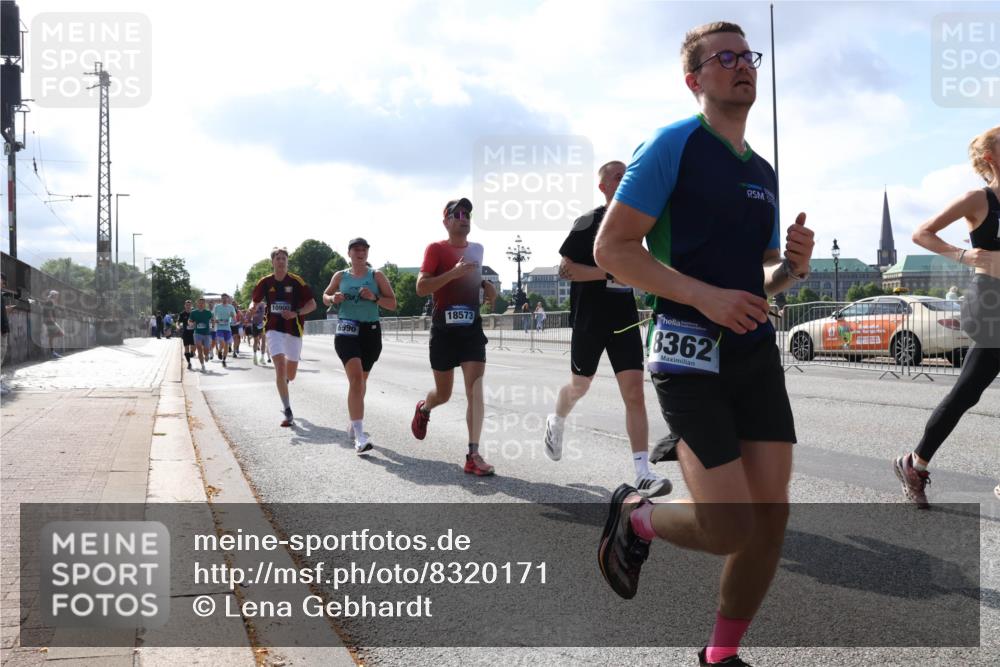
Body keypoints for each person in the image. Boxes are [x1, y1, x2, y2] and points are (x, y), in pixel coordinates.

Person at [592, 22, 814, 667]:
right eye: (726, 57)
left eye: (749, 56)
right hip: (687, 352)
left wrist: (793, 269)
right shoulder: (672, 144)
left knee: (769, 522)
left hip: (752, 353)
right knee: (728, 528)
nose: (743, 65)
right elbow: (612, 250)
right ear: (695, 80)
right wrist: (701, 296)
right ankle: (636, 515)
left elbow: (759, 282)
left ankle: (720, 655)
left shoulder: (764, 172)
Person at [545, 160, 671, 498]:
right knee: (579, 386)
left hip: (623, 318)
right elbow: (565, 270)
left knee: (634, 393)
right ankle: (557, 420)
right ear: (603, 186)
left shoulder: (635, 224)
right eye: (618, 175)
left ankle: (642, 472)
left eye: (628, 174)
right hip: (589, 318)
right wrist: (611, 273)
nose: (625, 178)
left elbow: (643, 268)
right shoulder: (588, 221)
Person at [894, 125, 1000, 508]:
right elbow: (922, 233)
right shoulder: (979, 199)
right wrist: (963, 255)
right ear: (991, 157)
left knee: (969, 390)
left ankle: (915, 462)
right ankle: (914, 464)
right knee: (968, 391)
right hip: (989, 301)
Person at [411, 198, 498, 475]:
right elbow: (421, 288)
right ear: (446, 221)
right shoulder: (436, 249)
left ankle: (473, 454)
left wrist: (486, 286)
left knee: (476, 391)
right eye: (458, 214)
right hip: (444, 331)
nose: (464, 218)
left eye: (468, 214)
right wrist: (453, 273)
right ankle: (425, 408)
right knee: (444, 394)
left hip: (471, 328)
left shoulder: (477, 249)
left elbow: (473, 278)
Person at [323, 237, 397, 454]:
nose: (361, 253)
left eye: (364, 250)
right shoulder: (340, 276)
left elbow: (392, 303)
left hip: (371, 332)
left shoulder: (377, 275)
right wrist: (332, 298)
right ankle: (359, 436)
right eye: (356, 249)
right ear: (349, 253)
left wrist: (374, 297)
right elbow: (325, 296)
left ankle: (353, 420)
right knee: (356, 379)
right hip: (347, 330)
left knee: (361, 382)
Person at [247, 247, 317, 427]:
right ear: (272, 262)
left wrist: (296, 312)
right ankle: (288, 411)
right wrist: (252, 307)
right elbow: (255, 300)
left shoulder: (296, 281)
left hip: (294, 329)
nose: (280, 261)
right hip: (273, 328)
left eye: (283, 258)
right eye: (277, 258)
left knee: (290, 374)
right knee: (279, 364)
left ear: (287, 262)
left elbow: (312, 304)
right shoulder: (265, 282)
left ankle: (285, 380)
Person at [212, 294, 237, 368]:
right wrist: (215, 321)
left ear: (228, 299)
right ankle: (219, 351)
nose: (224, 300)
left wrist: (233, 316)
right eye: (223, 298)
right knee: (222, 343)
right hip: (219, 328)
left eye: (226, 298)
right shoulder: (217, 307)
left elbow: (234, 318)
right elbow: (213, 316)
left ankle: (224, 360)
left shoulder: (231, 307)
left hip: (227, 328)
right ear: (221, 299)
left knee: (226, 344)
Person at [190, 297, 214, 371]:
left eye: (202, 303)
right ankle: (202, 365)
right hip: (197, 333)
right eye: (199, 303)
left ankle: (206, 355)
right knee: (199, 349)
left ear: (204, 304)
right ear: (197, 304)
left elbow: (213, 319)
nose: (201, 304)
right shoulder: (193, 312)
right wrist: (191, 324)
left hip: (207, 333)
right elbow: (190, 321)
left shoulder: (208, 312)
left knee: (206, 350)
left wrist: (213, 325)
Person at [43, 291, 65, 358]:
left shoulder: (50, 301)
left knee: (53, 337)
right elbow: (49, 311)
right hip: (50, 321)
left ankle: (53, 352)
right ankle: (53, 352)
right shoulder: (50, 302)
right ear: (54, 295)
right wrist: (52, 320)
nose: (57, 297)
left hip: (50, 321)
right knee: (61, 333)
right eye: (57, 295)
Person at [177, 300, 196, 370]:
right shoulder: (182, 314)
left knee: (193, 348)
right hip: (186, 333)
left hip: (193, 333)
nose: (188, 306)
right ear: (185, 306)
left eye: (189, 305)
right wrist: (177, 326)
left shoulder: (194, 313)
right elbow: (178, 322)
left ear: (191, 306)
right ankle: (189, 363)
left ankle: (192, 352)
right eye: (187, 305)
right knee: (186, 348)